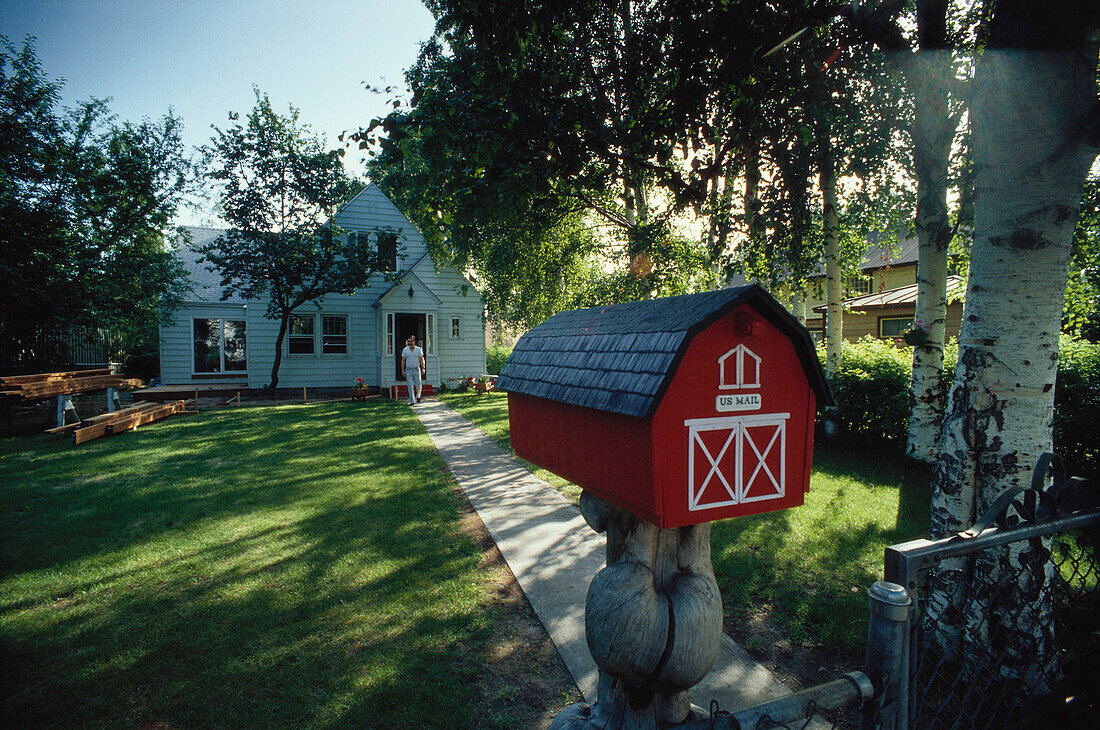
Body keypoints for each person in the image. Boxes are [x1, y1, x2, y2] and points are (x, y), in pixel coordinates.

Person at [401, 334, 426, 405]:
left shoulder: (418, 350)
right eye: (408, 342)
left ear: (414, 341)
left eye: (411, 341)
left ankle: (418, 396)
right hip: (408, 370)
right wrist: (403, 370)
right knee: (410, 385)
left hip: (416, 369)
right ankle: (412, 401)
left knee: (418, 385)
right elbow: (403, 360)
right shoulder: (405, 350)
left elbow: (421, 359)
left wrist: (423, 368)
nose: (410, 343)